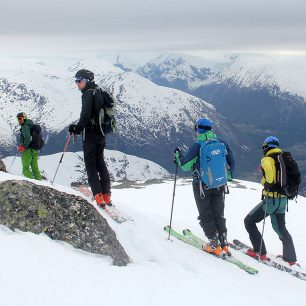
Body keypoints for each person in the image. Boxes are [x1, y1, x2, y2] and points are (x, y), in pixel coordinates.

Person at [174, 118, 235, 256]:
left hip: (201, 185)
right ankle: (223, 242)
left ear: (198, 129)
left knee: (206, 214)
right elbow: (231, 160)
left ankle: (213, 243)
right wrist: (228, 177)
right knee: (218, 213)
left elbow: (185, 165)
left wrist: (178, 155)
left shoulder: (198, 146)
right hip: (220, 183)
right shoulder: (221, 143)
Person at [244, 136, 298, 266]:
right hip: (283, 201)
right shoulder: (283, 158)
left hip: (271, 200)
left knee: (249, 221)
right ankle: (290, 259)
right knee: (280, 227)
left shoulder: (267, 159)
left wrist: (264, 179)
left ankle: (259, 252)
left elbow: (269, 180)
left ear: (266, 147)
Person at [68, 69, 112, 208]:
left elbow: (86, 115)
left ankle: (98, 196)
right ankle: (107, 195)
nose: (77, 84)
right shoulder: (98, 91)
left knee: (90, 165)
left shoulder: (87, 94)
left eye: (79, 81)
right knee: (100, 163)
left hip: (90, 135)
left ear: (87, 81)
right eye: (76, 81)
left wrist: (77, 129)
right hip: (101, 134)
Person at [17, 112, 42, 181]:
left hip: (27, 150)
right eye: (18, 119)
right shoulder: (31, 125)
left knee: (25, 169)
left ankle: (32, 183)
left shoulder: (25, 126)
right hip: (34, 149)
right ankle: (40, 183)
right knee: (35, 168)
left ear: (24, 118)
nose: (19, 120)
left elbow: (27, 138)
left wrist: (23, 147)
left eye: (20, 118)